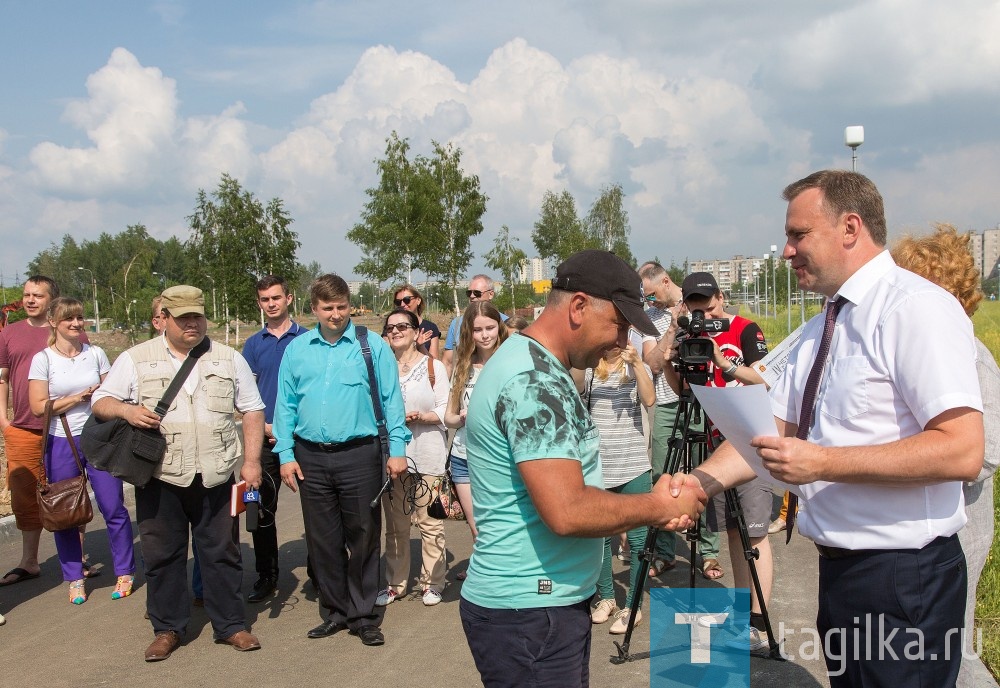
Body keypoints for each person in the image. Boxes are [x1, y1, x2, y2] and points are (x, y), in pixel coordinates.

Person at [670, 171, 984, 685]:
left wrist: (824, 462)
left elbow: (962, 450)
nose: (786, 252)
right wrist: (699, 483)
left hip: (905, 578)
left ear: (850, 228)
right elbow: (772, 424)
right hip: (842, 574)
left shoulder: (916, 309)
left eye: (798, 235)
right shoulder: (823, 325)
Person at [460, 250, 706, 687]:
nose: (622, 339)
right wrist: (657, 506)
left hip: (537, 609)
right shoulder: (532, 381)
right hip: (531, 613)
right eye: (619, 324)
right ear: (578, 306)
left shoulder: (536, 367)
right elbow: (567, 510)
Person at [92, 285, 265, 661]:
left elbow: (252, 410)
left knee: (222, 553)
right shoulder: (136, 358)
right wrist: (127, 412)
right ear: (164, 319)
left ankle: (232, 626)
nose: (192, 323)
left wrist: (251, 462)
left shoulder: (227, 358)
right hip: (159, 477)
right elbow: (100, 401)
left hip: (216, 474)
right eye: (183, 317)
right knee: (163, 556)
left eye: (197, 316)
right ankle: (167, 628)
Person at [273, 274, 410, 647]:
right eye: (327, 308)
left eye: (342, 307)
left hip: (359, 455)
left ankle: (364, 615)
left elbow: (391, 400)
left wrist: (397, 450)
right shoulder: (297, 350)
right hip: (310, 458)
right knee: (323, 541)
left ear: (351, 305)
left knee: (364, 535)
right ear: (313, 309)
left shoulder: (372, 346)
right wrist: (285, 454)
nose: (335, 314)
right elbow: (285, 405)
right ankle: (335, 611)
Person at [891, 224, 1000, 688]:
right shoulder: (928, 348)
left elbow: (987, 452)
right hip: (929, 524)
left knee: (954, 652)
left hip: (962, 525)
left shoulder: (970, 355)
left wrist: (910, 461)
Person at [662, 271, 774, 650]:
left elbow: (766, 381)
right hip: (713, 443)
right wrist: (668, 362)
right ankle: (743, 617)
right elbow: (685, 392)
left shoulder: (744, 329)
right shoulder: (689, 336)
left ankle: (758, 622)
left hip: (749, 441)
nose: (705, 312)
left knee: (754, 531)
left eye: (709, 305)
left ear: (721, 298)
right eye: (695, 305)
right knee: (730, 532)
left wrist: (721, 361)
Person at [27, 298, 135, 604]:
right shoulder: (43, 360)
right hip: (61, 440)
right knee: (65, 513)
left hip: (99, 437)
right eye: (68, 319)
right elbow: (38, 407)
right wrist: (78, 398)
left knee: (112, 506)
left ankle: (125, 571)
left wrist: (100, 397)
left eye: (79, 318)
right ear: (53, 323)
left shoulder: (96, 354)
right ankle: (74, 577)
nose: (76, 324)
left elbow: (112, 392)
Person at [0, 276, 90, 587]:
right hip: (24, 428)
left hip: (65, 428)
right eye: (26, 294)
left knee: (70, 489)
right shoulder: (10, 333)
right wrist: (3, 420)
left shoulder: (71, 331)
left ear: (52, 301)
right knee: (24, 496)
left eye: (38, 295)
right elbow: (2, 378)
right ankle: (29, 561)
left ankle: (77, 559)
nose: (29, 300)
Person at [638, 261, 722, 580]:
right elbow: (654, 364)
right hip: (669, 403)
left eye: (650, 294)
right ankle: (664, 551)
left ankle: (709, 553)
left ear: (665, 281)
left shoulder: (704, 308)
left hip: (703, 401)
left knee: (706, 477)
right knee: (663, 474)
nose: (648, 301)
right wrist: (672, 327)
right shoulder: (650, 320)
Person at [576, 342, 655, 634]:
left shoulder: (636, 367)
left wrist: (636, 363)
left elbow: (649, 399)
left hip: (633, 464)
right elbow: (574, 388)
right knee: (601, 539)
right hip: (598, 466)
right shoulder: (589, 370)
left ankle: (633, 605)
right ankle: (606, 597)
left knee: (638, 541)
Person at [376, 308, 450, 607]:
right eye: (390, 327)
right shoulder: (382, 370)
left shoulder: (434, 368)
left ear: (417, 332)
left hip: (428, 453)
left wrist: (423, 417)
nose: (395, 331)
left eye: (403, 326)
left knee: (430, 522)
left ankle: (432, 583)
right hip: (393, 458)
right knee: (396, 526)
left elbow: (448, 410)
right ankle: (396, 584)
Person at [240, 275, 306, 603]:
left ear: (289, 298)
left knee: (318, 508)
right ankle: (266, 575)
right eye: (265, 299)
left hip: (303, 439)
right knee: (261, 510)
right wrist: (265, 427)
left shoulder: (307, 339)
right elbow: (245, 394)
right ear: (259, 303)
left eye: (276, 297)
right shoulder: (253, 345)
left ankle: (323, 574)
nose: (271, 303)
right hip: (265, 439)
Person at [443, 301, 510, 544]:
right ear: (468, 332)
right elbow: (448, 418)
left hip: (499, 458)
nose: (484, 335)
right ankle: (486, 580)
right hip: (463, 457)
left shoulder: (509, 361)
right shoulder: (463, 365)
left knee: (501, 529)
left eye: (490, 328)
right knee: (478, 532)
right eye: (478, 329)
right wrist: (461, 417)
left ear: (499, 327)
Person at [441, 274, 507, 375]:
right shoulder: (457, 324)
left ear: (491, 294)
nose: (472, 296)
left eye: (477, 293)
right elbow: (448, 362)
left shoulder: (506, 322)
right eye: (469, 293)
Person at [392, 284, 441, 359]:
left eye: (407, 300)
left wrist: (420, 347)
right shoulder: (391, 328)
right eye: (398, 302)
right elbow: (386, 358)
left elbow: (434, 362)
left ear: (418, 300)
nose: (402, 304)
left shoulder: (430, 327)